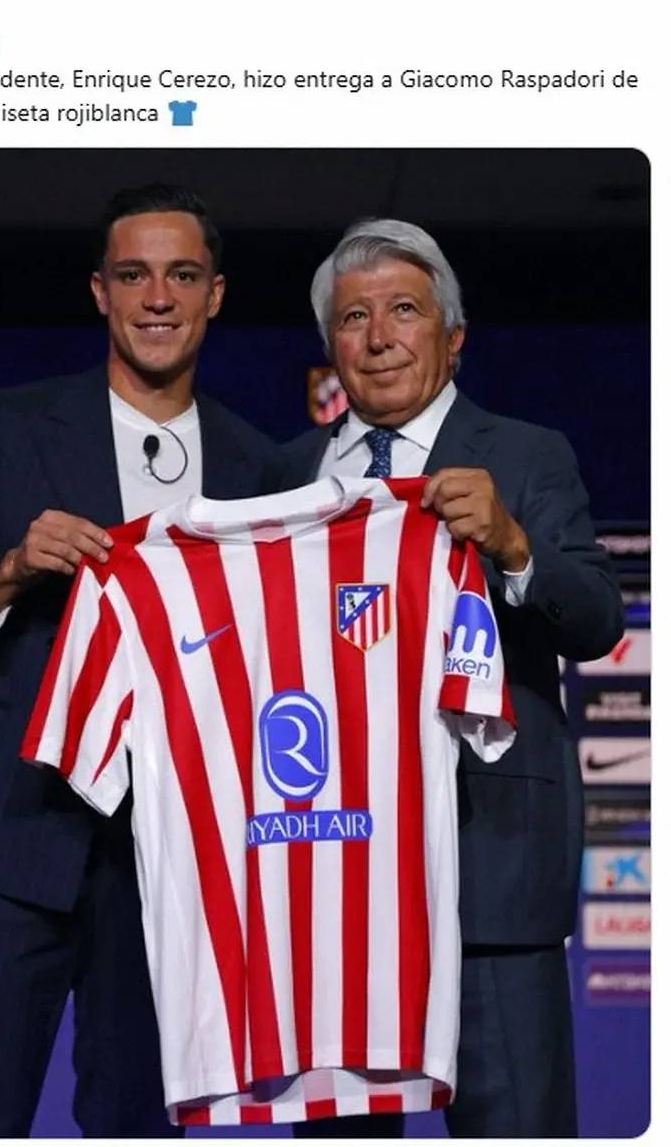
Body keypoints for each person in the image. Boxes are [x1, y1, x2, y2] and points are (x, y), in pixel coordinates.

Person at [0, 183, 283, 1137]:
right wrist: (12, 565)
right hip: (11, 843)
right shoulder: (12, 425)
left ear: (215, 295)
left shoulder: (259, 464)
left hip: (172, 868)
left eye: (182, 275)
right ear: (100, 292)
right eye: (134, 275)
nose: (158, 297)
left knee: (137, 1126)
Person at [283, 218, 624, 1138]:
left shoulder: (528, 454)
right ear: (331, 346)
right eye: (354, 318)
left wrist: (514, 545)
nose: (379, 337)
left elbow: (598, 618)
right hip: (329, 887)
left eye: (403, 310)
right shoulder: (279, 476)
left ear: (454, 335)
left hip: (491, 873)